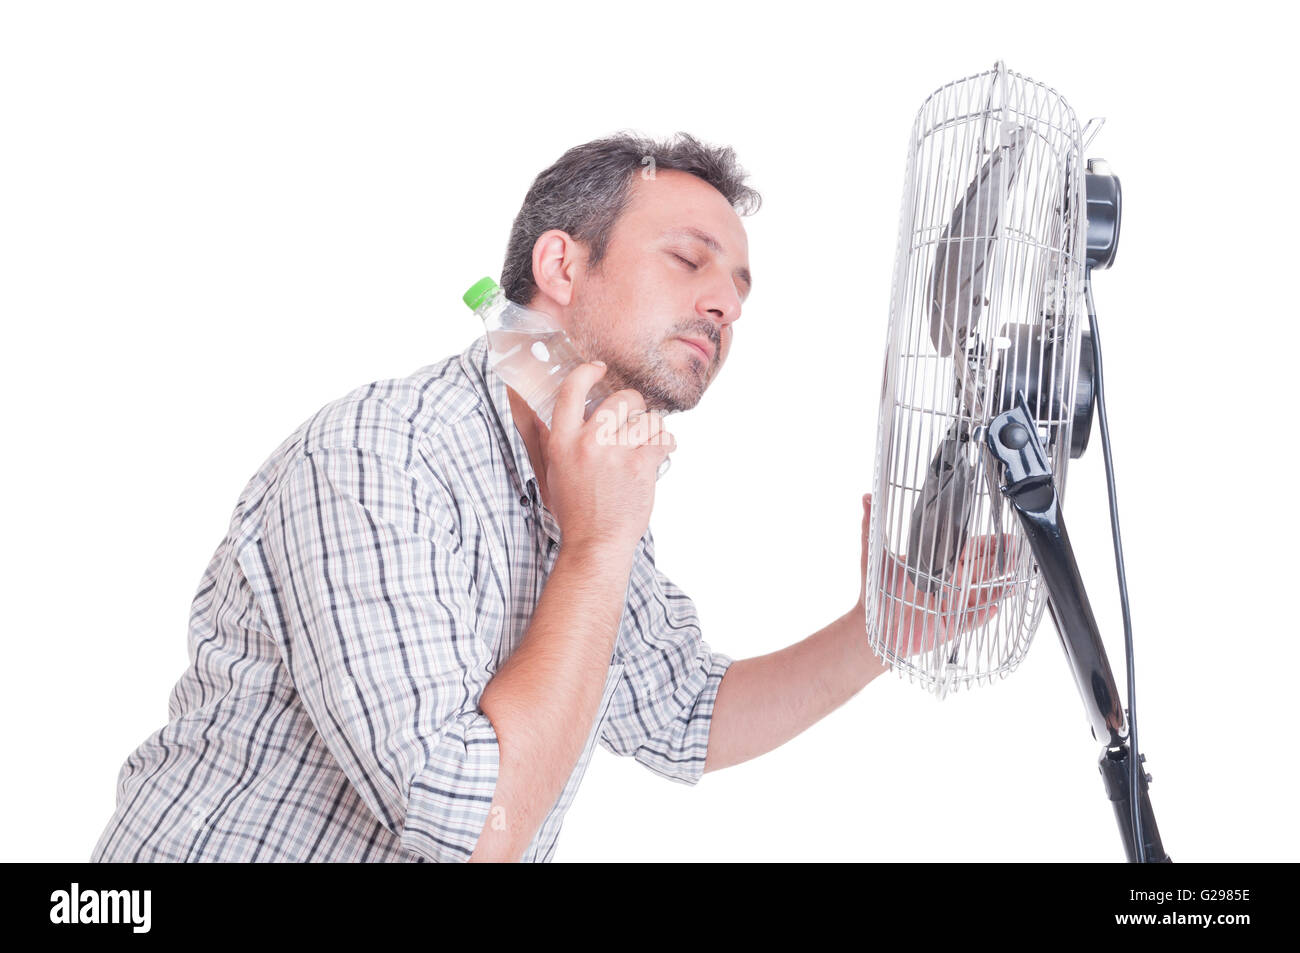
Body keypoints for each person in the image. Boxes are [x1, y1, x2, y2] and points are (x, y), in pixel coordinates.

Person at [91, 131, 1008, 863]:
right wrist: (599, 546)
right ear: (562, 268)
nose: (726, 307)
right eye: (690, 260)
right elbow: (465, 822)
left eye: (739, 287)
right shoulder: (383, 454)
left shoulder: (590, 472)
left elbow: (682, 710)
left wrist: (890, 628)